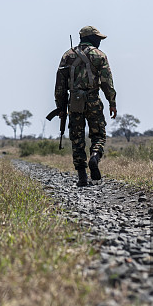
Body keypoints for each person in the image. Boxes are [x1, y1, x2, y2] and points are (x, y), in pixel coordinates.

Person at [54, 25, 117, 187]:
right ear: (91, 38)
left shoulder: (67, 56)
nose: (100, 41)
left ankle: (82, 177)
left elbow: (60, 86)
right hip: (93, 100)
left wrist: (60, 107)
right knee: (99, 135)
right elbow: (106, 82)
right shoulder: (99, 55)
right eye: (98, 38)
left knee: (77, 139)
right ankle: (95, 157)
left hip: (74, 103)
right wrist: (112, 102)